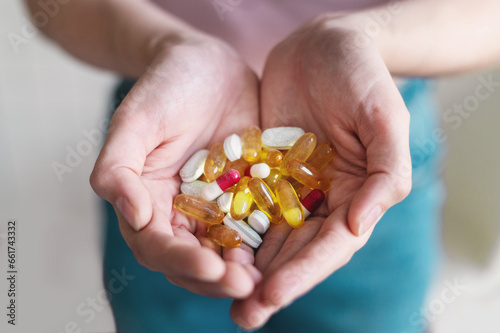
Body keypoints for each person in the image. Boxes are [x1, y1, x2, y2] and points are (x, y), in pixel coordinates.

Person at [25, 0, 500, 331]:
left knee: (376, 319)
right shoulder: (216, 177)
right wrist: (164, 43)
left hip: (366, 125)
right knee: (162, 313)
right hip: (170, 126)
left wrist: (364, 40)